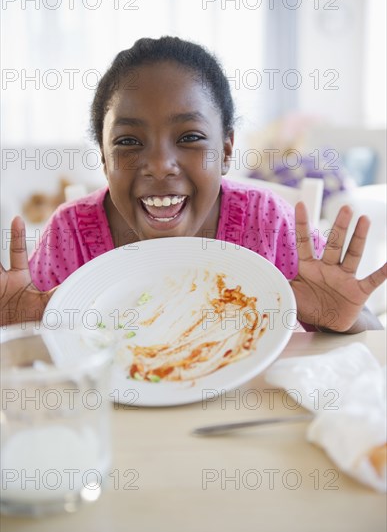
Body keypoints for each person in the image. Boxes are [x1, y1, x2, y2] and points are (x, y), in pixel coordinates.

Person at [1, 37, 385, 332]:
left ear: (227, 150)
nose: (159, 165)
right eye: (128, 142)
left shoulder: (267, 224)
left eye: (189, 138)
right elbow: (34, 354)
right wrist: (16, 326)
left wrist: (345, 320)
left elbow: (361, 336)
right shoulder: (71, 234)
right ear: (103, 159)